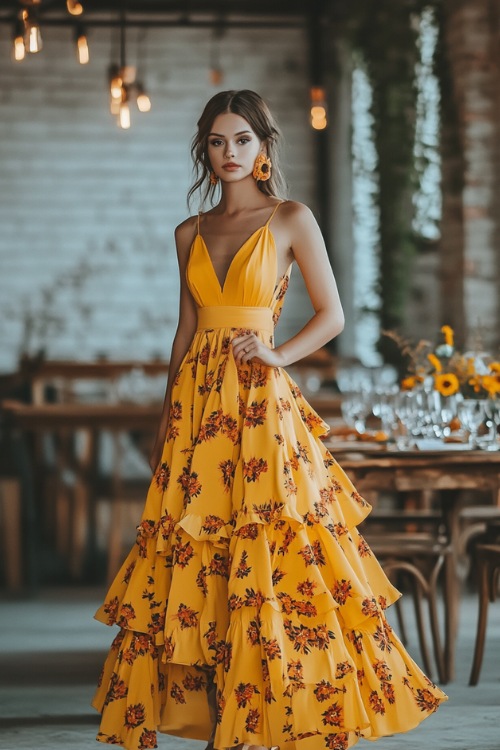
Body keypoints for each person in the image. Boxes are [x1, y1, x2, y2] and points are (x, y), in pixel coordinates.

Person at [92, 89, 447, 750]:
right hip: (198, 409)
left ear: (264, 147)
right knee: (199, 552)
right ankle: (223, 706)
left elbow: (332, 315)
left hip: (260, 405)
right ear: (205, 147)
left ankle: (276, 713)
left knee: (271, 544)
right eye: (218, 141)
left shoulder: (290, 217)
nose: (229, 154)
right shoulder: (189, 231)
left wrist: (279, 353)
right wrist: (168, 418)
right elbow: (185, 329)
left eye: (242, 141)